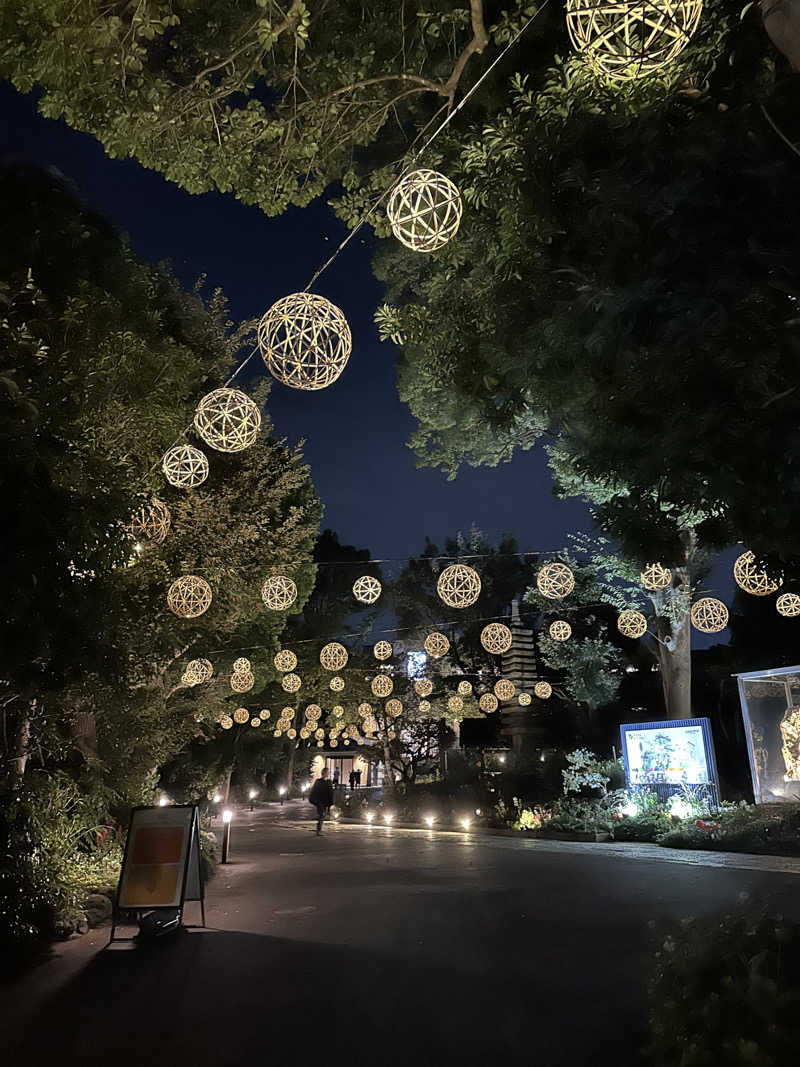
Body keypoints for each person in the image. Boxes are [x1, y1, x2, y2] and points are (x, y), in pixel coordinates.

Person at [308, 769, 333, 835]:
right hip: (320, 801)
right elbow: (316, 791)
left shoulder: (325, 782)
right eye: (328, 772)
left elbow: (330, 792)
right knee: (321, 814)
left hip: (323, 801)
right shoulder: (321, 781)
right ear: (324, 773)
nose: (328, 774)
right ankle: (318, 830)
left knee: (322, 814)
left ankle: (319, 829)